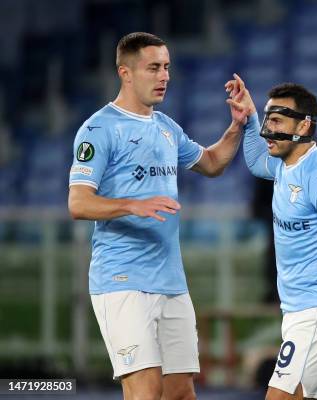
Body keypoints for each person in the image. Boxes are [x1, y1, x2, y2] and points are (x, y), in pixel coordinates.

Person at [67, 32, 248, 400]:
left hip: (170, 281)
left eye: (166, 67)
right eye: (153, 68)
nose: (164, 75)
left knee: (181, 392)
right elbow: (79, 203)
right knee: (146, 390)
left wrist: (237, 126)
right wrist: (132, 205)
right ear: (126, 73)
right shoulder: (98, 129)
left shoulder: (166, 127)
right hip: (122, 280)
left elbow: (211, 163)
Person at [225, 75, 317, 400]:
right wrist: (249, 117)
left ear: (302, 127)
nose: (267, 130)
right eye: (268, 119)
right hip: (299, 311)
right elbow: (257, 162)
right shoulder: (285, 166)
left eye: (276, 120)